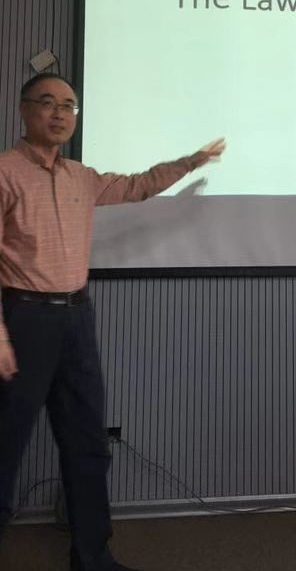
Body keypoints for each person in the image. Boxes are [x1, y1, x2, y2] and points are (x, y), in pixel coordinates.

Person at [0, 72, 226, 571]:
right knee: (5, 443)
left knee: (86, 442)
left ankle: (92, 557)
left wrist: (192, 161)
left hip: (77, 320)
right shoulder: (4, 172)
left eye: (68, 106)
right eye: (47, 103)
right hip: (23, 320)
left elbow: (140, 185)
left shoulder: (82, 176)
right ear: (24, 109)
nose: (59, 114)